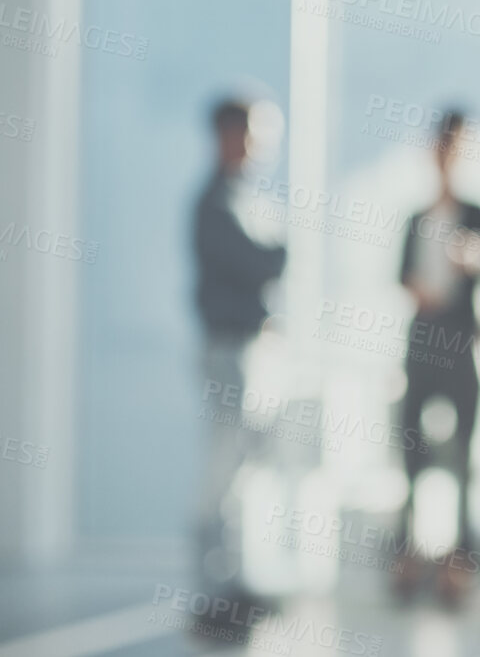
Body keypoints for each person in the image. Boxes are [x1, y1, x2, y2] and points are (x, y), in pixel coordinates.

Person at [191, 97, 286, 613]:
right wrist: (274, 255)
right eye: (247, 134)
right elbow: (257, 263)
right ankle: (213, 591)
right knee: (222, 471)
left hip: (248, 350)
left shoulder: (241, 197)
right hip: (227, 351)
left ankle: (236, 582)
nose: (254, 146)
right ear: (227, 135)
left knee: (245, 469)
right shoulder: (215, 203)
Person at [394, 109, 480, 605]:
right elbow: (403, 277)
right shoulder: (416, 217)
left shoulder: (476, 215)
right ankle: (408, 558)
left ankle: (459, 563)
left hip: (460, 349)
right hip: (421, 345)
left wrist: (473, 263)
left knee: (464, 460)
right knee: (411, 451)